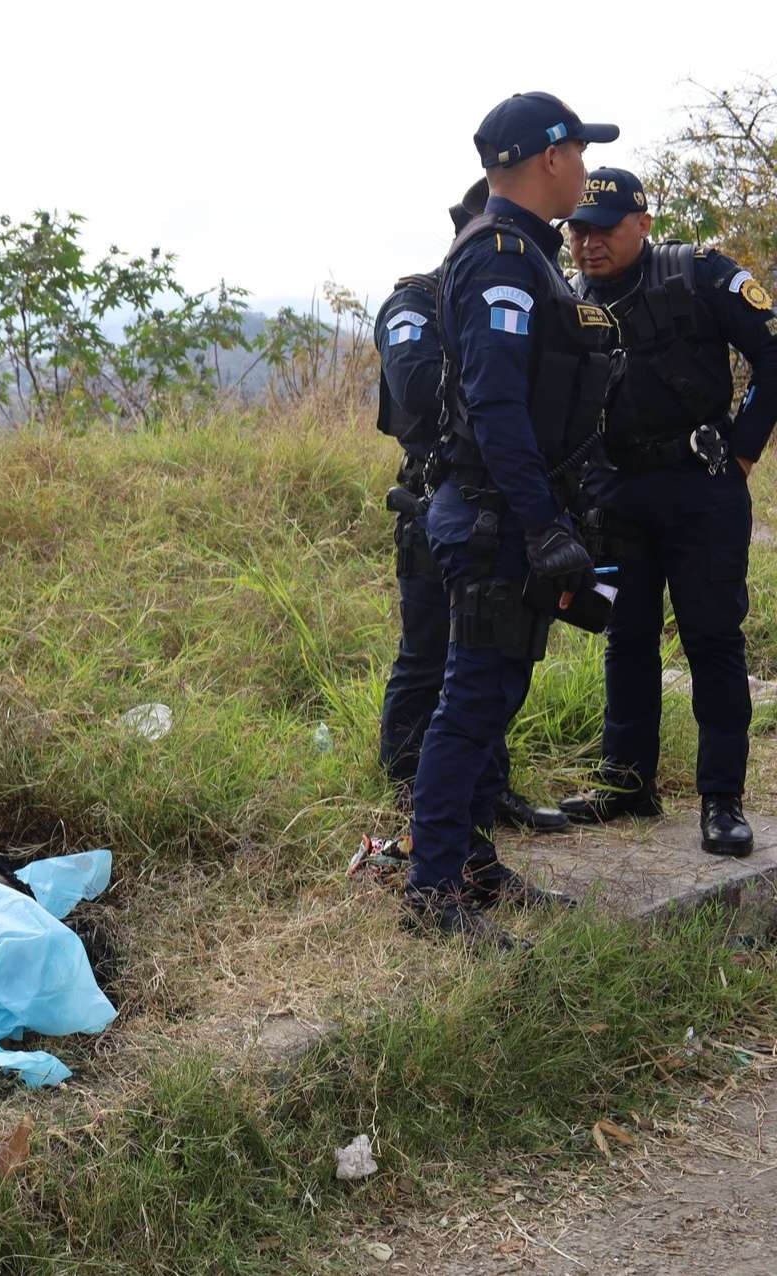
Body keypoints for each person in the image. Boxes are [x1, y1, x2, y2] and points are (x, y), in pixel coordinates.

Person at [406, 93, 621, 945]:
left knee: (494, 701)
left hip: (509, 518)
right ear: (550, 158)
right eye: (579, 152)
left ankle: (473, 865)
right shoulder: (500, 258)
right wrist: (541, 527)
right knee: (469, 707)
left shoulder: (528, 255)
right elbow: (496, 406)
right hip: (495, 519)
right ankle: (430, 892)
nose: (587, 168)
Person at [554, 168, 777, 856]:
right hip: (617, 496)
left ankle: (721, 799)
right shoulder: (569, 297)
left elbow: (772, 352)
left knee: (712, 640)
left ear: (643, 223)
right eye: (578, 231)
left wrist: (742, 452)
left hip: (700, 485)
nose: (589, 245)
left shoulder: (698, 274)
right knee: (626, 638)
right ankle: (627, 784)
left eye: (605, 230)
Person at [375, 177, 569, 834]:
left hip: (488, 500)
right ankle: (412, 790)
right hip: (432, 500)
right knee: (429, 654)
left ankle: (486, 795)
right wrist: (489, 369)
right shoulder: (418, 300)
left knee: (483, 664)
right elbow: (415, 386)